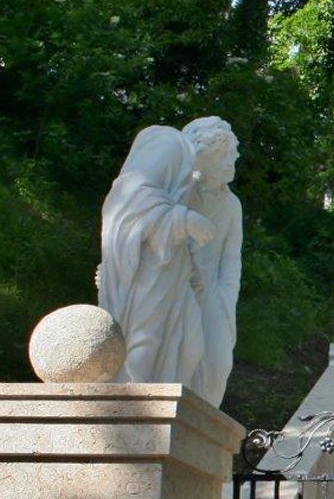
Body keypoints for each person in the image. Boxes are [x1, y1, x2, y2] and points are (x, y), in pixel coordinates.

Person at [98, 125, 211, 386]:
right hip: (149, 269)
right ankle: (132, 408)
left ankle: (164, 411)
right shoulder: (170, 144)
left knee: (190, 346)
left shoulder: (190, 179)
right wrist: (183, 219)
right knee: (144, 339)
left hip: (172, 270)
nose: (231, 163)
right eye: (226, 155)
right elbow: (131, 194)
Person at [181, 117, 243, 406]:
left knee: (218, 365)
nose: (233, 159)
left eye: (232, 153)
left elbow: (232, 257)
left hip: (214, 295)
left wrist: (225, 297)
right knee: (183, 359)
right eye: (223, 154)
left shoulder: (232, 204)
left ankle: (202, 438)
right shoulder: (179, 192)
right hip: (177, 291)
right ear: (201, 156)